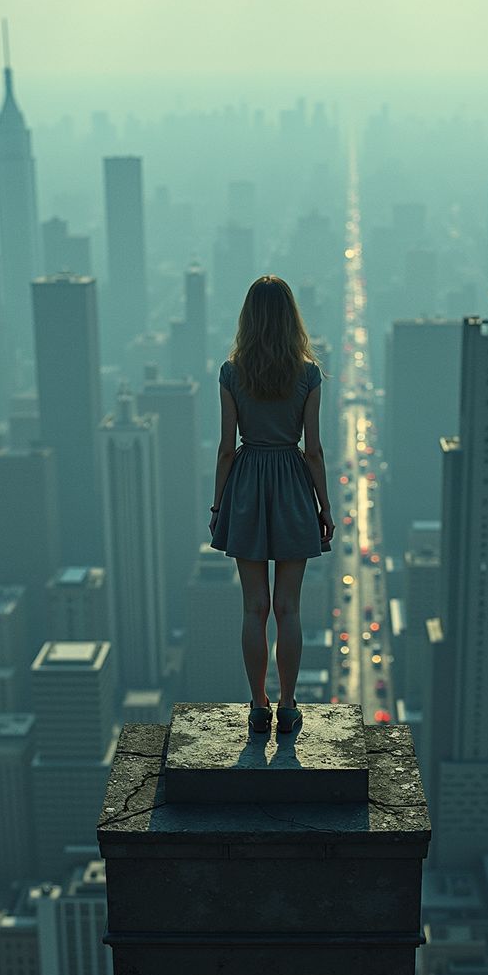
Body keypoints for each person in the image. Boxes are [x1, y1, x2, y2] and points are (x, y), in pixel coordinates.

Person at [209, 275, 335, 737]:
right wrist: (324, 506)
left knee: (253, 609)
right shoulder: (308, 374)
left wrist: (219, 504)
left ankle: (257, 705)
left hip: (246, 488)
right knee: (289, 609)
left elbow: (226, 447)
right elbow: (315, 450)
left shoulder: (230, 372)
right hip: (293, 488)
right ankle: (288, 704)